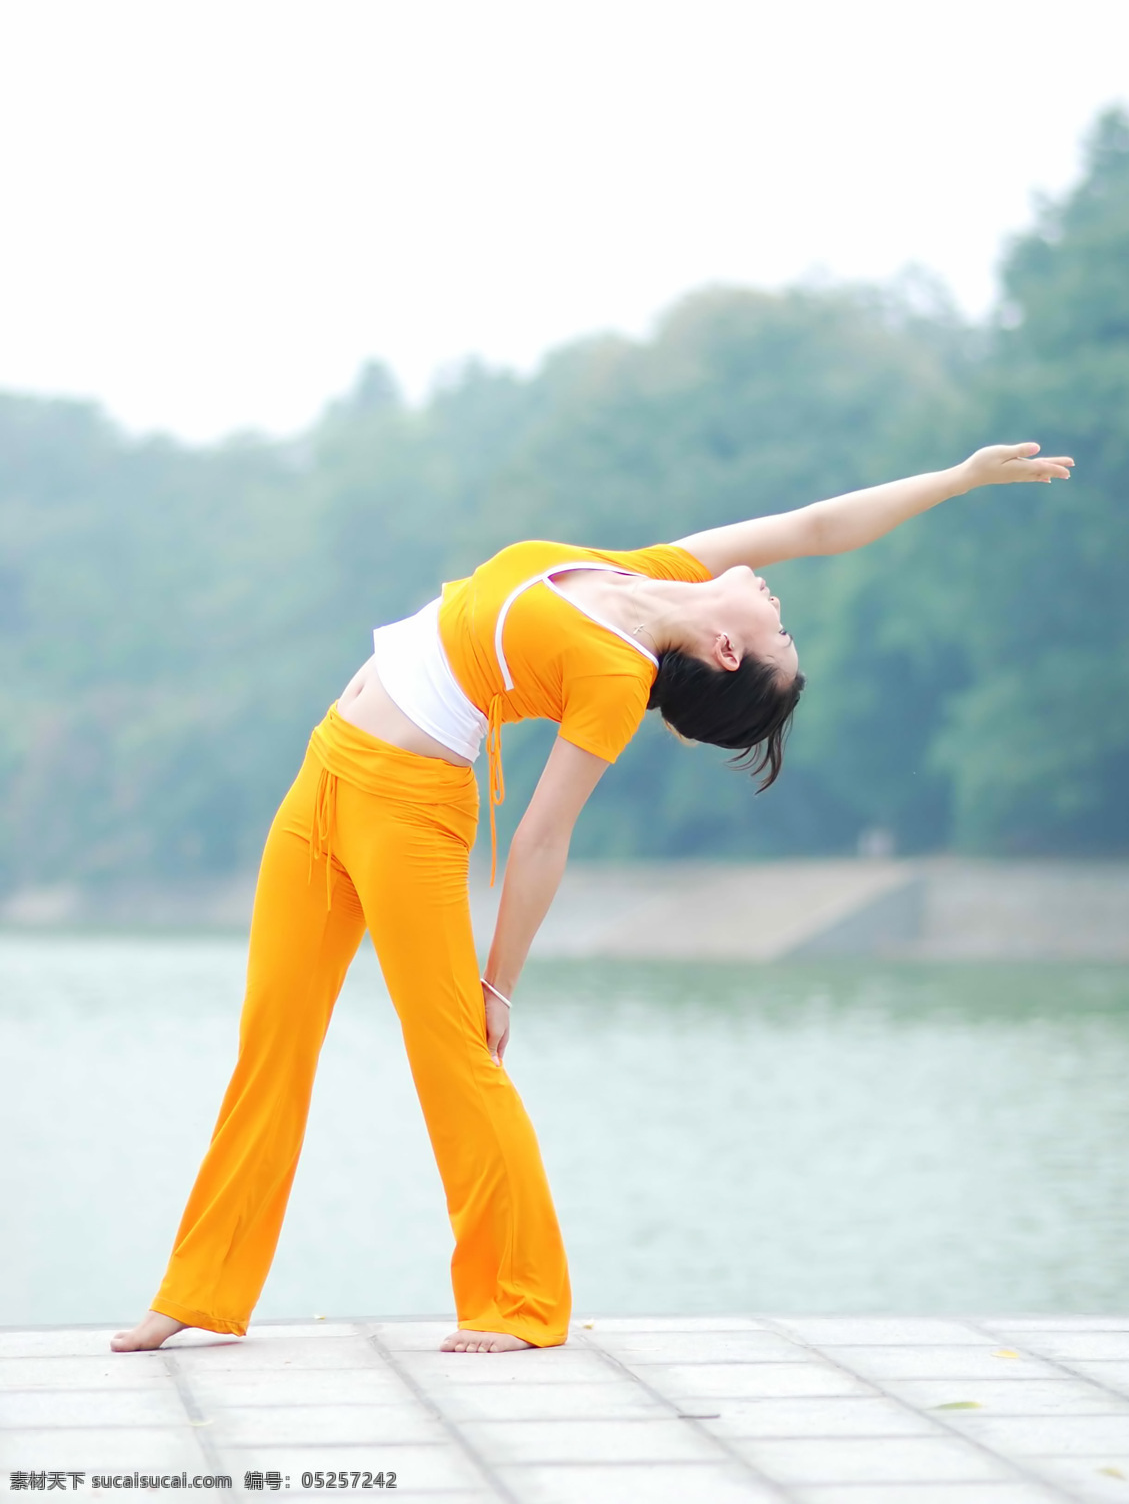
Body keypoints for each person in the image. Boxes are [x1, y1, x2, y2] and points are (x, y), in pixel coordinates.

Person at [112, 440, 1072, 1356]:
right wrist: (954, 479)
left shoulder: (614, 673)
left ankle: (520, 1300)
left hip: (407, 813)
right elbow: (818, 524)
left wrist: (499, 985)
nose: (779, 602)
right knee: (271, 1039)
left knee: (453, 1057)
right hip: (323, 772)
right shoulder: (639, 569)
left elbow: (540, 839)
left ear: (730, 653)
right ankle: (197, 1292)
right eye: (789, 625)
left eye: (779, 630)